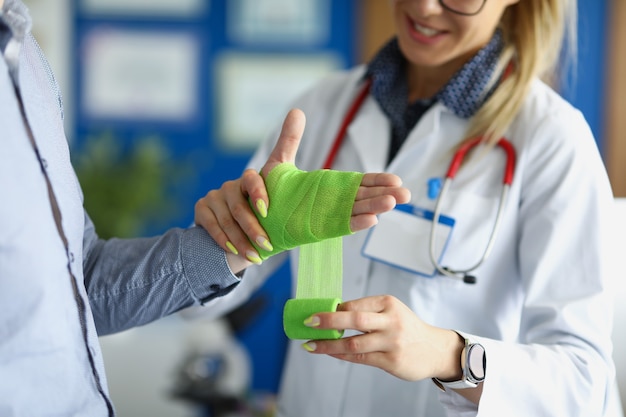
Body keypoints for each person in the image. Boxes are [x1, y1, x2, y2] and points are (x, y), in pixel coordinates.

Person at [198, 0, 623, 415]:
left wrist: (447, 354)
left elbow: (587, 386)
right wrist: (230, 241)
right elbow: (201, 304)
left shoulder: (552, 139)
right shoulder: (322, 105)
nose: (424, 7)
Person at [0, 0, 411, 415]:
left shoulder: (28, 59)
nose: (427, 8)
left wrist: (242, 239)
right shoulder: (328, 101)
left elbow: (78, 281)